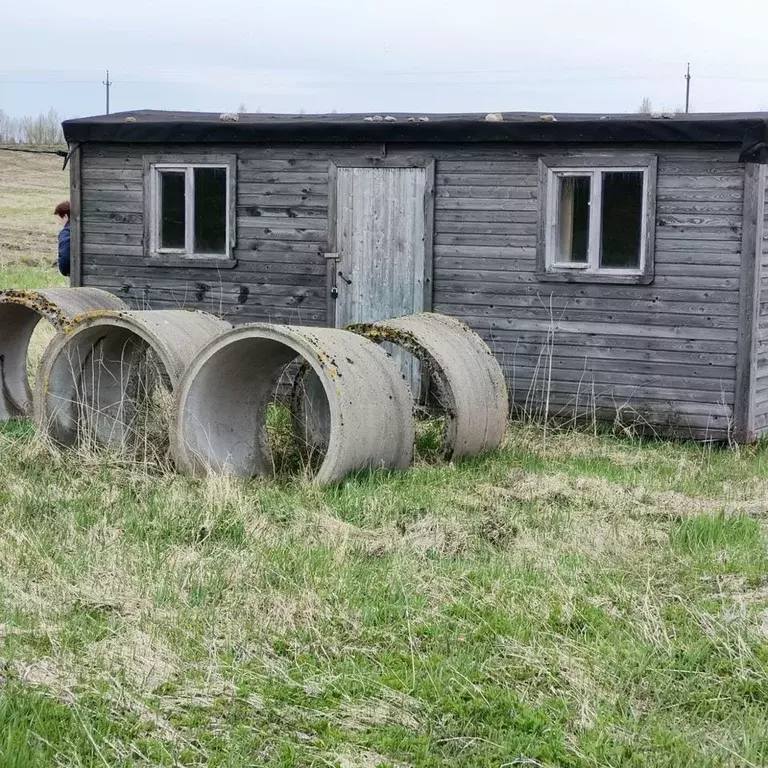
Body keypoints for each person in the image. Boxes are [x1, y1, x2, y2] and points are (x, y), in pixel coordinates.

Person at [55, 201, 70, 277]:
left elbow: (65, 255)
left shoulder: (66, 232)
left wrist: (65, 271)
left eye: (59, 219)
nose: (59, 223)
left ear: (65, 217)